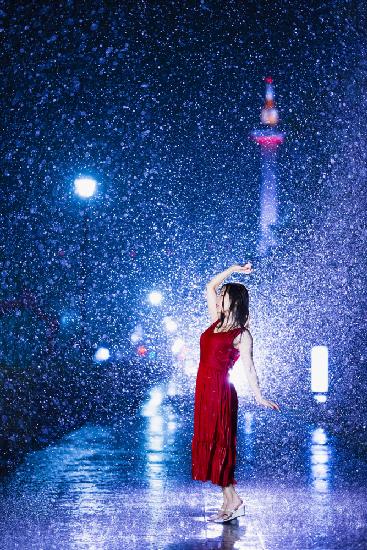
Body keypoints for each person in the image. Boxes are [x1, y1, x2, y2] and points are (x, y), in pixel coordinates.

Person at [191, 262, 280, 523]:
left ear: (234, 301)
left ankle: (233, 500)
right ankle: (230, 500)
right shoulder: (215, 322)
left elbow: (250, 369)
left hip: (221, 393)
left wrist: (259, 396)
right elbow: (209, 286)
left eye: (224, 295)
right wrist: (233, 269)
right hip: (204, 392)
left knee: (220, 444)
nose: (218, 298)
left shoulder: (241, 334)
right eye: (220, 296)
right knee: (209, 444)